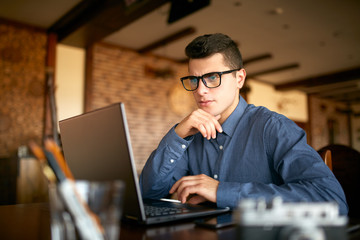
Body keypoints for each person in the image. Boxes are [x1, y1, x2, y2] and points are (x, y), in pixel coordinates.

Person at [139, 33, 348, 215]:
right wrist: (177, 135)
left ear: (239, 78)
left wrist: (221, 191)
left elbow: (332, 201)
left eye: (212, 77)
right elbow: (148, 194)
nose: (200, 90)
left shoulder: (273, 127)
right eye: (195, 80)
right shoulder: (190, 135)